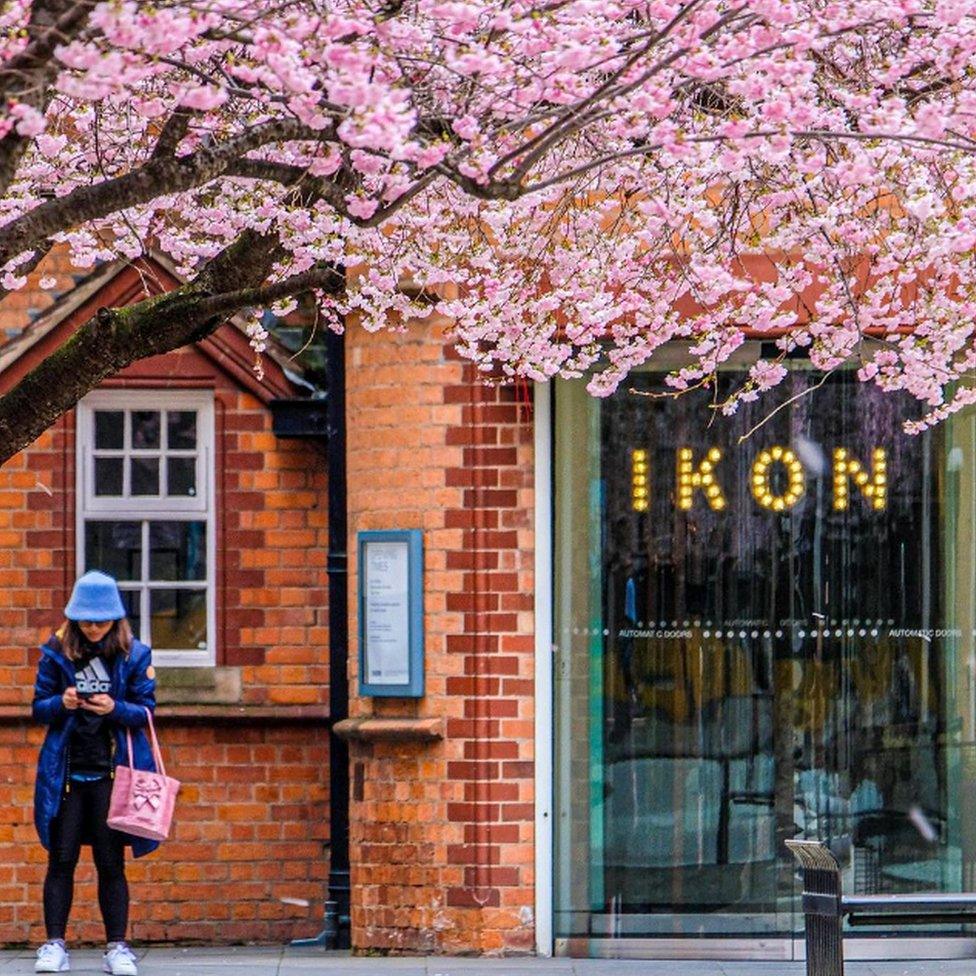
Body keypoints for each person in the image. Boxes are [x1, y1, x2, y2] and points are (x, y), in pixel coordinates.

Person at [31, 571, 158, 976]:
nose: (93, 629)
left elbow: (147, 711)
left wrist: (114, 709)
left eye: (100, 622)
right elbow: (38, 708)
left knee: (110, 863)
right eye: (86, 622)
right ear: (74, 619)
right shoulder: (55, 652)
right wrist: (63, 701)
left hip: (112, 775)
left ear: (115, 620)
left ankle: (117, 947)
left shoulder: (133, 655)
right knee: (61, 859)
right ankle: (54, 944)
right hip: (67, 773)